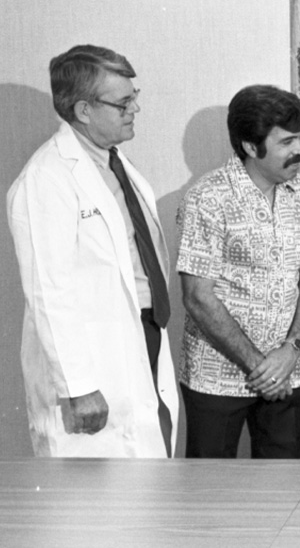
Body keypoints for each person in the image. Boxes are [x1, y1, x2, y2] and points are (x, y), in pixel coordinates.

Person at [7, 45, 178, 457]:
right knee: (89, 497)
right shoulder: (46, 178)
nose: (135, 108)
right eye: (123, 102)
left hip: (143, 333)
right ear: (84, 110)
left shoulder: (117, 164)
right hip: (92, 360)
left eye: (134, 96)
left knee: (148, 481)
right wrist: (78, 386)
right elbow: (49, 290)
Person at [176, 85, 300, 458]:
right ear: (249, 146)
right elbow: (197, 295)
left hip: (289, 372)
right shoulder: (208, 197)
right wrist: (261, 368)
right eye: (287, 142)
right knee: (211, 497)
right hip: (216, 379)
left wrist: (290, 352)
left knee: (285, 495)